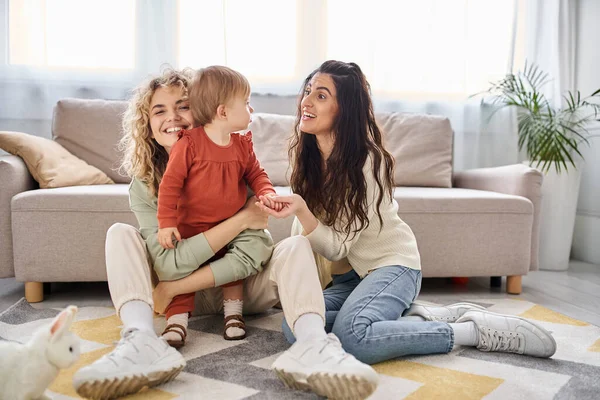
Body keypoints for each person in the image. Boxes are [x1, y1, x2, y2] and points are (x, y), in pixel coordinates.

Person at [73, 68, 381, 400]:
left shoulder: (231, 159)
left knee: (294, 246)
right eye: (159, 111)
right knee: (120, 233)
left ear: (206, 111)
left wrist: (174, 284)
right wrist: (240, 220)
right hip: (180, 299)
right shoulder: (145, 186)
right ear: (147, 124)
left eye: (182, 106)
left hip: (240, 290)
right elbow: (170, 264)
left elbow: (255, 251)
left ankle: (313, 345)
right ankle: (140, 341)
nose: (172, 118)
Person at [258, 60, 557, 365]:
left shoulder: (368, 163)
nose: (306, 101)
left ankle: (470, 331)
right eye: (308, 91)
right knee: (296, 324)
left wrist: (302, 210)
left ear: (344, 109)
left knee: (354, 337)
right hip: (348, 280)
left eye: (321, 96)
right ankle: (417, 316)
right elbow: (312, 243)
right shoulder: (304, 155)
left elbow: (337, 246)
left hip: (391, 268)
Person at [156, 65, 280, 345]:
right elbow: (170, 186)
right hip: (191, 227)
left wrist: (266, 191)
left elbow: (256, 173)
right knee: (181, 268)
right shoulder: (189, 144)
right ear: (223, 112)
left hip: (229, 223)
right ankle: (176, 323)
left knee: (231, 270)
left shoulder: (241, 145)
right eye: (246, 103)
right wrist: (166, 223)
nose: (251, 109)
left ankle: (233, 314)